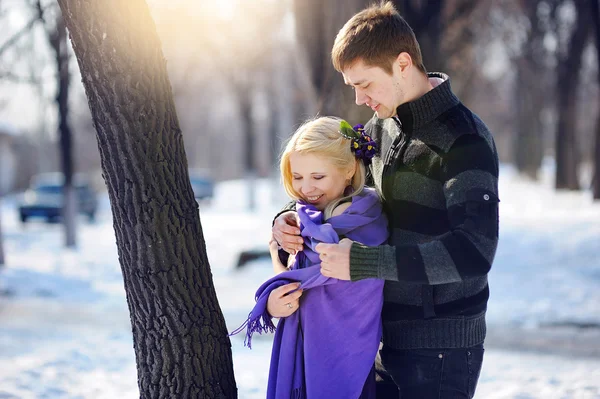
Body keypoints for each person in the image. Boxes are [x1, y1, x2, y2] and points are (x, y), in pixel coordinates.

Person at [272, 3, 500, 398]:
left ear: (402, 64)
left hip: (440, 350)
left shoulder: (464, 139)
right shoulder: (379, 129)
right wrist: (287, 221)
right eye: (353, 87)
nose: (360, 99)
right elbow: (335, 187)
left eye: (365, 84)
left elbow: (474, 252)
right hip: (377, 338)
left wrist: (363, 262)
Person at [231, 116, 389, 399]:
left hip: (350, 360)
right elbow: (290, 283)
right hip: (303, 353)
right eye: (298, 177)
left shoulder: (369, 221)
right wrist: (274, 303)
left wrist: (276, 254)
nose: (306, 188)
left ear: (350, 170)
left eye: (318, 177)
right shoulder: (304, 220)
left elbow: (350, 287)